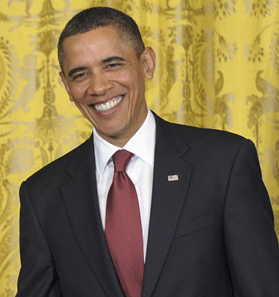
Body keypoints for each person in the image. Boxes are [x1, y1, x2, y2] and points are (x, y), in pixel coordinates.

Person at [16, 7, 279, 297]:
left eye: (113, 65)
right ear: (66, 85)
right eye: (80, 74)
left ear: (147, 64)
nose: (99, 86)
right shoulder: (42, 196)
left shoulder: (224, 163)